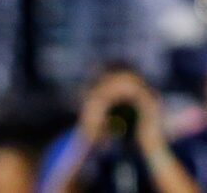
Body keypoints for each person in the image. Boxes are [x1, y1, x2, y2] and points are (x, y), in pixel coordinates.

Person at [35, 62, 200, 193]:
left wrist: (151, 143)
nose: (121, 112)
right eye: (112, 101)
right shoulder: (69, 146)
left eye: (130, 101)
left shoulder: (175, 149)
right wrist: (85, 141)